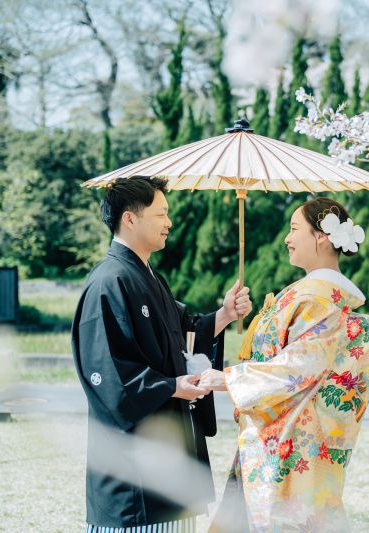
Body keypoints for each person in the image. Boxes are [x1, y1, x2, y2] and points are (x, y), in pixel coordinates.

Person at [71, 176, 253, 532]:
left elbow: (183, 332)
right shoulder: (109, 282)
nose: (169, 222)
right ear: (130, 219)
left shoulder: (150, 277)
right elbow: (110, 374)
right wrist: (172, 386)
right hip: (134, 470)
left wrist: (225, 315)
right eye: (161, 214)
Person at [200, 197, 369, 533]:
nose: (287, 238)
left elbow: (298, 367)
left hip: (292, 438)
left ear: (321, 237)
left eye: (294, 228)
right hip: (289, 435)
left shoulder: (317, 300)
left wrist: (229, 379)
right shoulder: (314, 296)